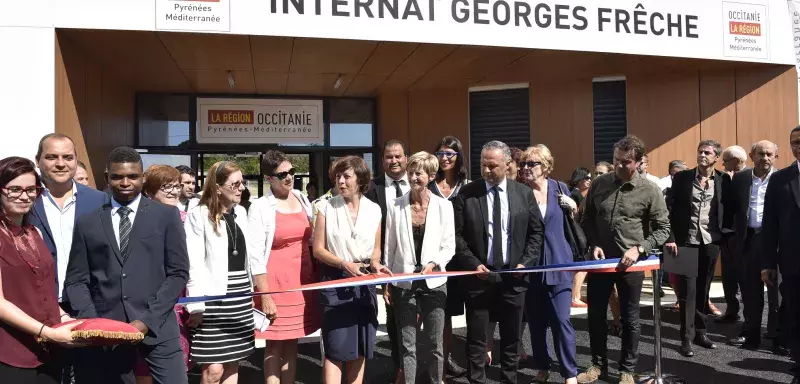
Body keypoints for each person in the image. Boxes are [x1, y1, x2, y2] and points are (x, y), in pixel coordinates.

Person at [64, 147, 189, 384]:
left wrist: (147, 320)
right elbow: (77, 279)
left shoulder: (166, 216)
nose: (125, 182)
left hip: (157, 326)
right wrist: (94, 323)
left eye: (132, 176)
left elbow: (178, 273)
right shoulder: (88, 222)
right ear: (106, 178)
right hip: (108, 332)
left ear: (142, 177)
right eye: (117, 176)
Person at [578, 135, 670, 384]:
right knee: (596, 315)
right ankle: (598, 365)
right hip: (601, 263)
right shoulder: (599, 184)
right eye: (616, 160)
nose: (619, 165)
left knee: (630, 319)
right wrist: (594, 243)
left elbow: (663, 229)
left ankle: (627, 369)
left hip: (632, 265)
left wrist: (640, 248)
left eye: (626, 162)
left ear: (639, 161)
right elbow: (586, 218)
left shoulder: (650, 190)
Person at [452, 140, 543, 384]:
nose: (487, 170)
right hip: (479, 277)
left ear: (507, 164)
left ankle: (509, 380)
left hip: (513, 277)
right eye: (483, 165)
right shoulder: (468, 194)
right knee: (477, 337)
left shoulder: (523, 194)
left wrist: (525, 263)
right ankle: (477, 380)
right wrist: (472, 264)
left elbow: (536, 234)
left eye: (493, 165)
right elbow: (456, 236)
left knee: (511, 338)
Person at [27, 134, 107, 383]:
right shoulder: (24, 200)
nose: (60, 163)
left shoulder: (100, 201)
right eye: (52, 157)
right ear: (38, 161)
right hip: (37, 310)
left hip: (88, 306)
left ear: (75, 161)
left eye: (67, 157)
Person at [0, 156, 84, 384]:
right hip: (9, 351)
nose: (24, 195)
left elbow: (42, 290)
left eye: (31, 189)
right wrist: (48, 332)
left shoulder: (33, 232)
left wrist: (65, 317)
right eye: (14, 189)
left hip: (47, 349)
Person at [312, 155, 392, 384]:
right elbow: (318, 249)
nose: (341, 181)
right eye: (337, 176)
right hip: (335, 283)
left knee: (361, 346)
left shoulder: (375, 210)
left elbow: (376, 250)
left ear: (361, 180)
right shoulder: (325, 207)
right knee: (335, 349)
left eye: (347, 176)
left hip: (364, 283)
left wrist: (376, 264)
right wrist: (343, 264)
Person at [247, 150, 320, 384]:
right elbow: (255, 255)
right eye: (282, 174)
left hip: (302, 281)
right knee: (274, 342)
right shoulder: (260, 207)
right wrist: (265, 295)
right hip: (275, 283)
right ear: (269, 178)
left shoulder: (300, 197)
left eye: (292, 172)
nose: (289, 177)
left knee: (293, 340)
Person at [385, 151, 455, 384]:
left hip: (434, 283)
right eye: (411, 172)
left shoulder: (444, 207)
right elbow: (389, 248)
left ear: (432, 175)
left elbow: (449, 247)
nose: (414, 177)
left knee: (436, 344)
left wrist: (435, 263)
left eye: (420, 173)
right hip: (404, 284)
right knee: (408, 345)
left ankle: (437, 381)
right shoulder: (395, 206)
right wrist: (387, 282)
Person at [183, 161, 254, 384]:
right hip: (213, 297)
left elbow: (249, 260)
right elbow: (193, 262)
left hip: (240, 295)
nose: (241, 188)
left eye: (242, 183)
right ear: (217, 187)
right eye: (235, 184)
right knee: (213, 370)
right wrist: (196, 305)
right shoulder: (199, 215)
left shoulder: (241, 213)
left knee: (234, 362)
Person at [518, 145, 578, 384]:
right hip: (532, 267)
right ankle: (542, 368)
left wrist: (573, 207)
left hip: (559, 262)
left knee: (562, 321)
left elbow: (572, 221)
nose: (525, 168)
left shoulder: (560, 188)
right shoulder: (520, 193)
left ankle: (570, 373)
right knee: (536, 323)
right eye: (523, 164)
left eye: (531, 164)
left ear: (546, 166)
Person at [726, 141, 788, 355]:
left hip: (775, 242)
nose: (765, 158)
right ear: (752, 156)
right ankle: (751, 334)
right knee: (750, 291)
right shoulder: (741, 179)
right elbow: (731, 209)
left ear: (776, 157)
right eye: (761, 154)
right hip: (749, 240)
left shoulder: (783, 179)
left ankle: (778, 336)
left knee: (777, 293)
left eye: (770, 154)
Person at [664, 140, 724, 357]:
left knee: (703, 289)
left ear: (716, 157)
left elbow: (728, 210)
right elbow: (667, 210)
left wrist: (724, 236)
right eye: (700, 151)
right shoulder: (682, 178)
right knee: (687, 292)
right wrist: (669, 238)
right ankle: (686, 339)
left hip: (710, 242)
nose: (702, 155)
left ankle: (700, 332)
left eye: (707, 152)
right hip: (684, 242)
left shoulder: (723, 180)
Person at [135, 165, 192, 384]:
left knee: (175, 369)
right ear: (149, 191)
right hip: (147, 305)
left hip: (181, 302)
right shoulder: (137, 220)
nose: (174, 191)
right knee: (142, 369)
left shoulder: (188, 218)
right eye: (166, 187)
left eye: (177, 186)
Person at [364, 139, 409, 382]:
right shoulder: (372, 188)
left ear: (406, 158)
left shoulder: (418, 183)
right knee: (394, 319)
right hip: (386, 264)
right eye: (389, 157)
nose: (394, 161)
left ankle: (414, 364)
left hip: (416, 262)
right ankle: (399, 367)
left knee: (417, 317)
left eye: (398, 156)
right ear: (382, 161)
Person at [761, 126, 800, 384]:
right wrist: (767, 264)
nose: (798, 146)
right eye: (794, 142)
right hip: (794, 262)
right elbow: (770, 225)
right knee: (797, 317)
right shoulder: (780, 179)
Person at [429, 135, 470, 378]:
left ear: (458, 157)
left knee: (454, 311)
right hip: (433, 257)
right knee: (436, 312)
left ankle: (448, 359)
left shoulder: (467, 185)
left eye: (450, 154)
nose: (444, 158)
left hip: (460, 258)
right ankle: (439, 364)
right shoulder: (429, 184)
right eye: (441, 153)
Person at [717, 145, 749, 325]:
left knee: (744, 277)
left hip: (742, 237)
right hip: (726, 236)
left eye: (726, 160)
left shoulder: (749, 178)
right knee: (728, 277)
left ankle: (748, 318)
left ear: (737, 161)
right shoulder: (724, 178)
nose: (722, 164)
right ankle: (731, 310)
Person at [566, 167, 591, 309]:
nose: (589, 180)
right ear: (579, 179)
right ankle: (575, 296)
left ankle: (576, 295)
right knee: (582, 266)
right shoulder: (575, 195)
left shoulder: (576, 194)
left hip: (577, 235)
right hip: (577, 235)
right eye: (586, 178)